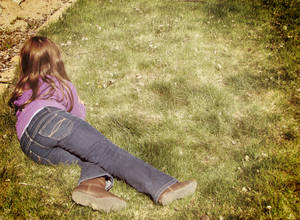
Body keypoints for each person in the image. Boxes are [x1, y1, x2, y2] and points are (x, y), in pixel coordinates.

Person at [8, 36, 197, 212]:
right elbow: (76, 119)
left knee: (85, 158)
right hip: (52, 118)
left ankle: (92, 186)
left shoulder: (22, 87)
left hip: (30, 144)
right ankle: (164, 186)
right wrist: (80, 105)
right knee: (105, 152)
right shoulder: (60, 83)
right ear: (56, 60)